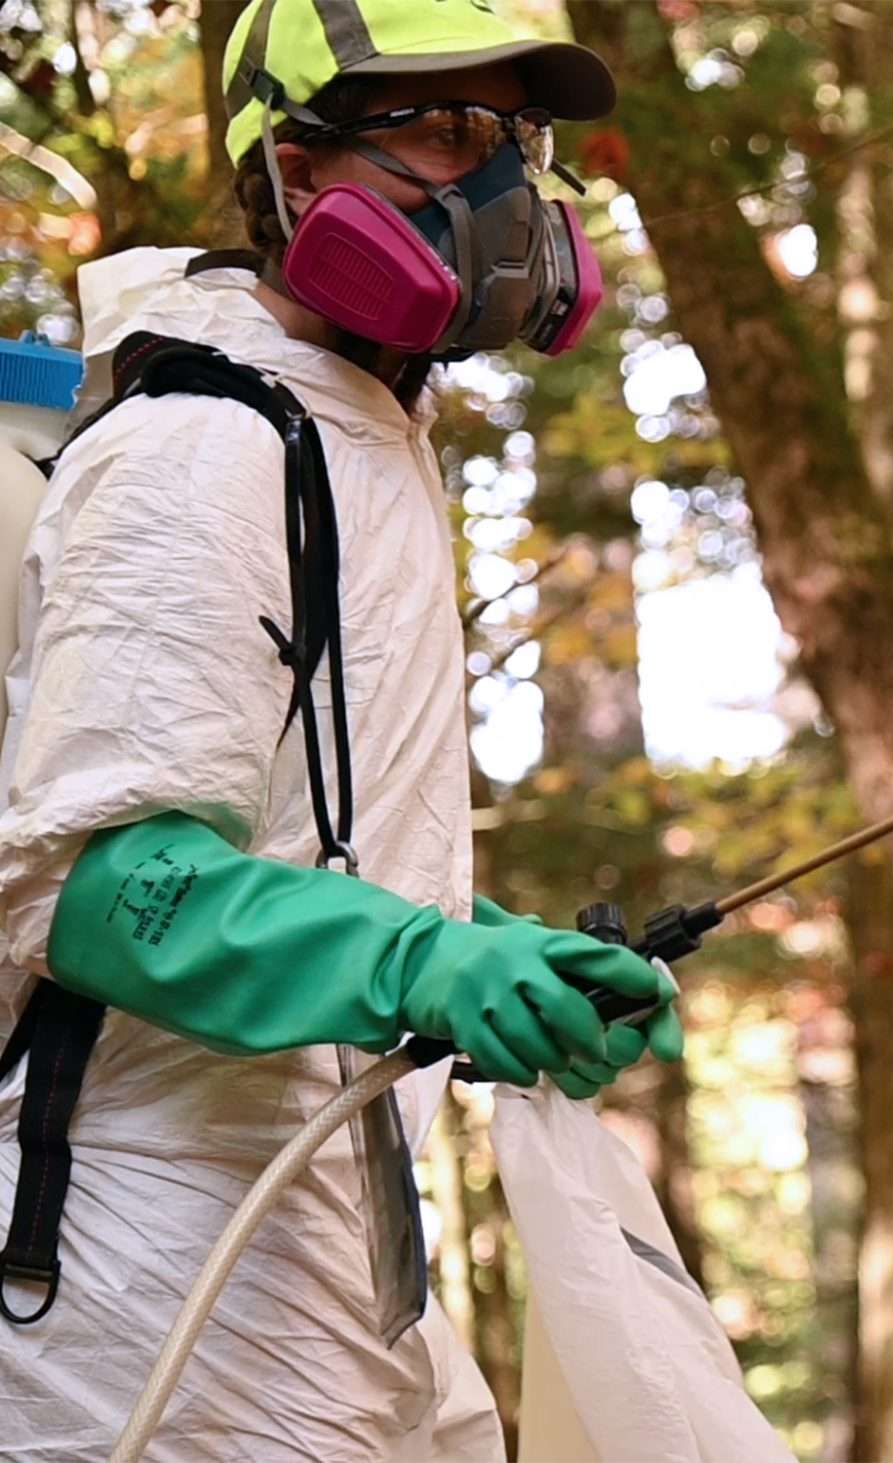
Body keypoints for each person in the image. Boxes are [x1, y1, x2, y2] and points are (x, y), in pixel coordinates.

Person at [0, 2, 681, 1457]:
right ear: (298, 174)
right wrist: (422, 960)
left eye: (519, 139)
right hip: (133, 1263)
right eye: (439, 131)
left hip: (311, 1231)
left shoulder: (356, 431)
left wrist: (490, 950)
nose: (500, 187)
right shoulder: (204, 444)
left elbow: (304, 838)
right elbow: (98, 887)